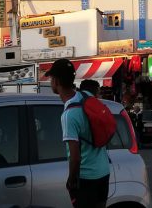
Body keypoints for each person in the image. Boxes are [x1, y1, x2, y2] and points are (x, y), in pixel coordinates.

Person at [46, 58, 110, 208]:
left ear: (56, 81)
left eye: (51, 79)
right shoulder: (85, 96)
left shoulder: (69, 115)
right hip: (103, 173)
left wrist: (71, 180)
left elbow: (75, 158)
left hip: (86, 179)